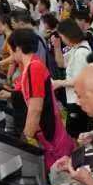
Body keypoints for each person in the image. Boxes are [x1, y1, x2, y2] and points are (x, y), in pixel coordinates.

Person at [8, 29, 74, 168]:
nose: (11, 55)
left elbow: (35, 110)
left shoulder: (34, 68)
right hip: (47, 129)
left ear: (18, 48)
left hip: (48, 134)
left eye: (12, 50)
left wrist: (25, 141)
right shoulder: (32, 64)